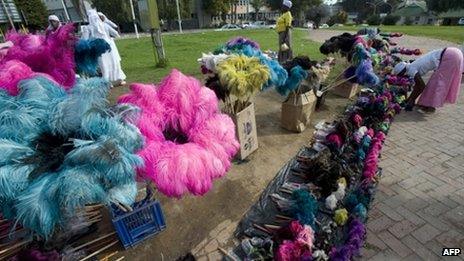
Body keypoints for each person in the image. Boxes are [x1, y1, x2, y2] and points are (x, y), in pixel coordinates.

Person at [393, 47, 463, 114]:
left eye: (401, 75)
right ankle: (426, 104)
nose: (403, 77)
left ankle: (429, 107)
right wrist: (410, 99)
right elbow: (418, 86)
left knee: (436, 84)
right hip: (454, 53)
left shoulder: (410, 69)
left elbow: (421, 86)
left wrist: (412, 100)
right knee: (436, 81)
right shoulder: (412, 65)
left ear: (402, 72)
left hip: (450, 56)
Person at [85, 10, 126, 86]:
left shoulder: (88, 28)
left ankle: (108, 83)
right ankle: (120, 79)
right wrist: (110, 38)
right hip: (109, 47)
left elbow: (84, 40)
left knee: (104, 66)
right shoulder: (104, 25)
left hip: (99, 49)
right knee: (114, 63)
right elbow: (116, 33)